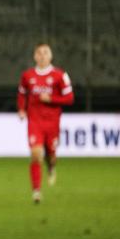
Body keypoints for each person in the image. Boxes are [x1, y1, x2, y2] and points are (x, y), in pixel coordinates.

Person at [17, 44, 74, 203]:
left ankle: (51, 166)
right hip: (35, 121)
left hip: (52, 123)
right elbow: (21, 94)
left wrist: (51, 99)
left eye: (45, 53)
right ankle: (36, 191)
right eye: (39, 53)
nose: (42, 56)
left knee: (51, 156)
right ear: (35, 56)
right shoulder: (27, 76)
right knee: (36, 154)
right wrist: (21, 109)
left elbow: (69, 98)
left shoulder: (60, 75)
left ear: (51, 56)